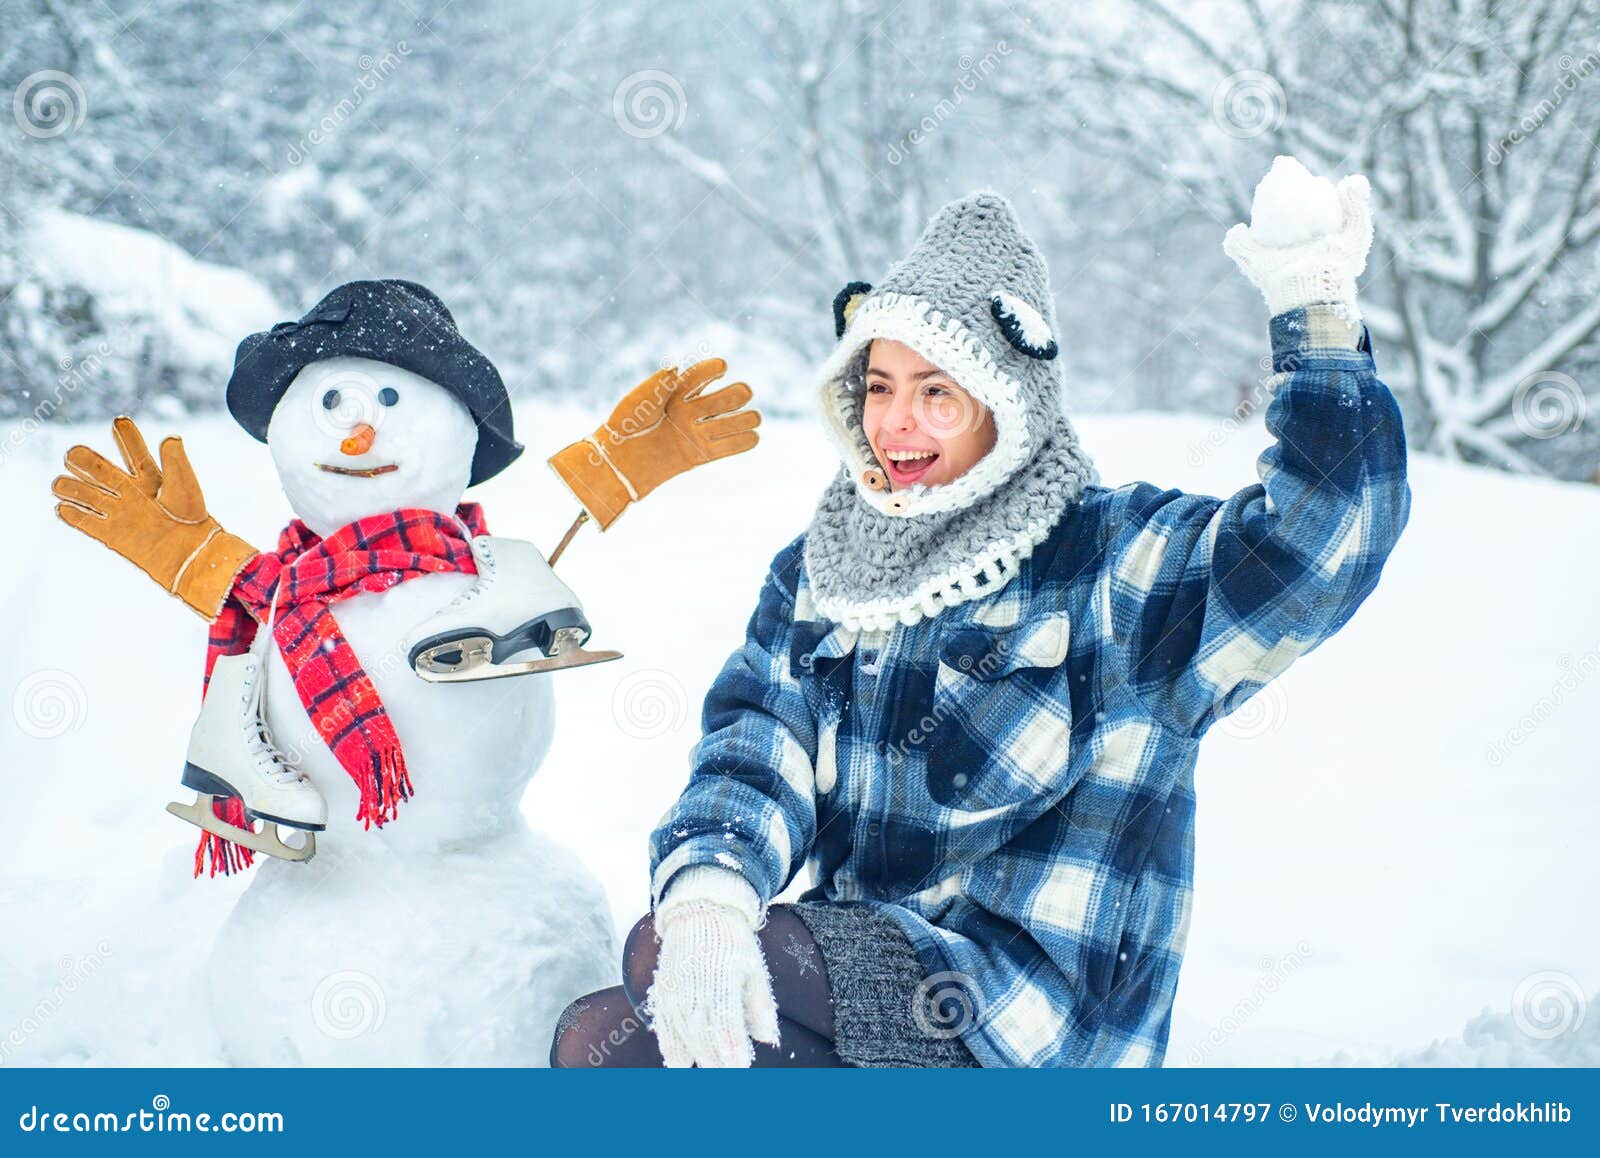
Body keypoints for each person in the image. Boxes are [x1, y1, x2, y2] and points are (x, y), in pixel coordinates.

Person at [550, 156, 1410, 1068]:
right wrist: (713, 895)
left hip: (1028, 1026)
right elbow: (756, 747)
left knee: (662, 980)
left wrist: (1313, 311)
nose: (896, 425)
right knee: (600, 1038)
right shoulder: (825, 569)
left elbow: (1323, 544)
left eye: (936, 393)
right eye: (879, 387)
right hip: (856, 990)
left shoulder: (1115, 561)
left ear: (1006, 404)